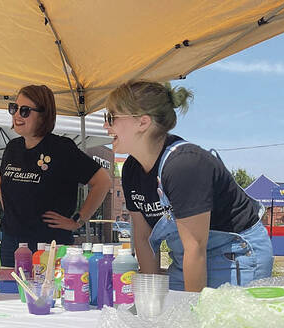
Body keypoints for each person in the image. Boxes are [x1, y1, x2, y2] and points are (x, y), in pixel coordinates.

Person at [105, 80, 273, 292]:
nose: (105, 126)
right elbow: (143, 236)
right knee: (163, 317)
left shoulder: (184, 165)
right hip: (189, 257)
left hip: (234, 254)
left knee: (217, 322)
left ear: (143, 122)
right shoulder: (131, 169)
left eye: (111, 117)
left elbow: (195, 247)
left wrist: (192, 313)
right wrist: (151, 295)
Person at [0, 84, 111, 267]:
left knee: (50, 294)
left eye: (25, 110)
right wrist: (11, 211)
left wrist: (78, 220)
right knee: (10, 293)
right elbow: (1, 179)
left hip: (49, 244)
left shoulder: (61, 148)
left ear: (43, 115)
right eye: (14, 108)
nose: (17, 114)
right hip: (12, 243)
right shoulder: (12, 148)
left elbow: (103, 181)